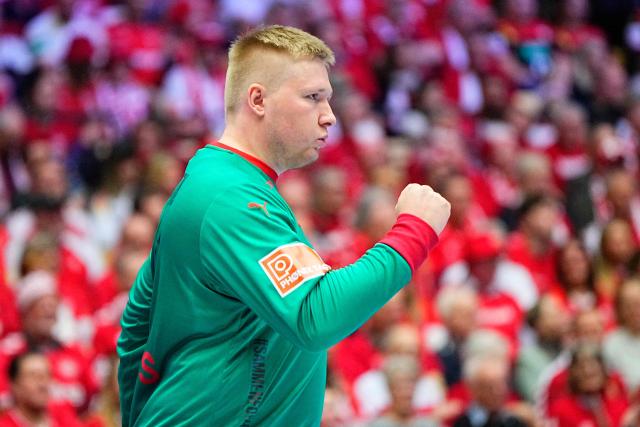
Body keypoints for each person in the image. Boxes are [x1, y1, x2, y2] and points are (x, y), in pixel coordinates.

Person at [117, 25, 451, 426]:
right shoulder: (230, 199)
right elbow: (315, 316)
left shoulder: (225, 184)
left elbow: (136, 328)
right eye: (312, 98)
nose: (329, 116)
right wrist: (414, 230)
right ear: (257, 99)